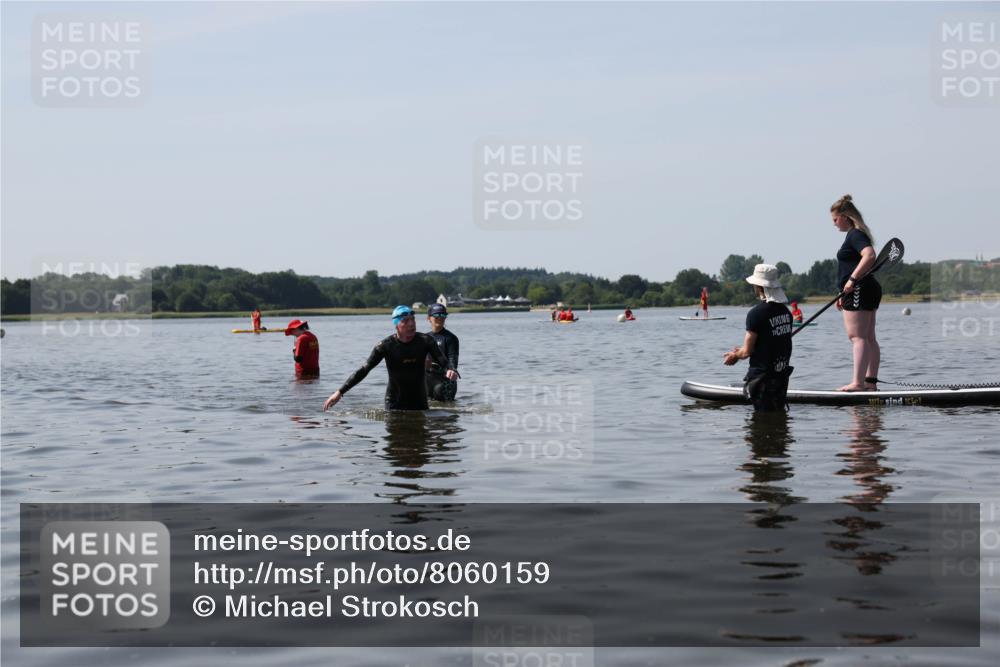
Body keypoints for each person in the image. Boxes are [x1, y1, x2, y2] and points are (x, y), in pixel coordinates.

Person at [323, 306, 458, 411]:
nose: (411, 324)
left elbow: (444, 361)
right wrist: (340, 392)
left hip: (419, 402)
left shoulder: (425, 341)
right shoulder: (385, 346)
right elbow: (364, 369)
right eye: (406, 321)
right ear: (396, 325)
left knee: (420, 445)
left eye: (413, 320)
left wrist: (450, 369)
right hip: (394, 401)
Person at [723, 264, 793, 411]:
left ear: (760, 287)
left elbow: (747, 352)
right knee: (779, 418)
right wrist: (742, 350)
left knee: (761, 424)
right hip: (781, 377)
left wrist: (735, 354)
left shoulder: (756, 314)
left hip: (762, 379)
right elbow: (769, 342)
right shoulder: (786, 313)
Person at [831, 194, 881, 391]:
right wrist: (843, 293)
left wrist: (851, 280)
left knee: (857, 337)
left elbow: (869, 255)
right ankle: (870, 384)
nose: (834, 224)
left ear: (845, 216)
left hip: (859, 288)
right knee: (868, 337)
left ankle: (858, 383)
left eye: (835, 219)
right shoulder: (858, 234)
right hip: (865, 288)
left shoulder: (855, 234)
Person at [425, 303, 459, 401]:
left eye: (443, 315)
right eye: (436, 315)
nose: (440, 318)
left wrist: (452, 369)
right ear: (428, 318)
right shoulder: (424, 338)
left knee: (444, 413)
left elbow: (453, 358)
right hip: (427, 379)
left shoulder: (451, 338)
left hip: (445, 380)